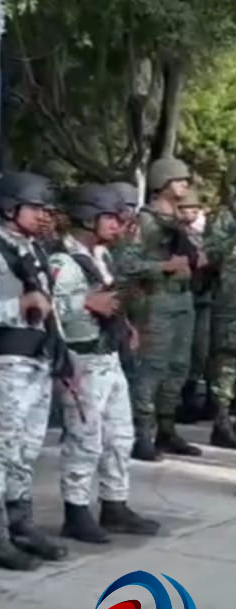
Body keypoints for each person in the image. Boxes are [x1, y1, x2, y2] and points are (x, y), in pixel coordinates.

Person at [0, 172, 69, 566]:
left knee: (26, 449)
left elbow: (49, 305)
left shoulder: (36, 250)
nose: (43, 215)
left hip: (38, 360)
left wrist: (61, 350)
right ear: (11, 209)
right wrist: (21, 305)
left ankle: (21, 525)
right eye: (36, 208)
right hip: (7, 362)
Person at [51, 184, 162, 543]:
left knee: (119, 435)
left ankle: (115, 503)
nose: (118, 224)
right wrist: (85, 303)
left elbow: (109, 296)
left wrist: (123, 323)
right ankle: (76, 510)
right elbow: (49, 310)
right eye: (111, 217)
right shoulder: (62, 262)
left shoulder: (101, 256)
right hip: (82, 359)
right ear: (89, 217)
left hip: (108, 354)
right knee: (85, 439)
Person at [118, 157, 203, 459]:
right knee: (151, 368)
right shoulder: (144, 221)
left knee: (178, 367)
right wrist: (164, 266)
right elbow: (126, 263)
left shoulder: (177, 221)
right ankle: (141, 434)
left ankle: (166, 429)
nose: (184, 185)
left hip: (182, 299)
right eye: (178, 180)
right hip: (155, 300)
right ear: (162, 183)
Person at [176, 188, 214, 424]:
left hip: (207, 297)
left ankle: (206, 401)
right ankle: (187, 400)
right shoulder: (177, 230)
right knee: (186, 351)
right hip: (187, 295)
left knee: (203, 351)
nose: (186, 213)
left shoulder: (209, 230)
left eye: (190, 209)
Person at [205, 173, 236, 448]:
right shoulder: (225, 218)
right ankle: (222, 420)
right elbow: (211, 253)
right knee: (227, 361)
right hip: (230, 301)